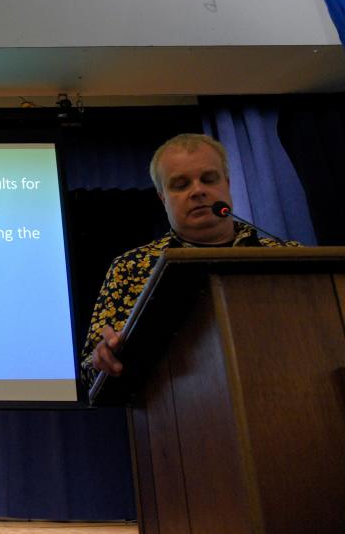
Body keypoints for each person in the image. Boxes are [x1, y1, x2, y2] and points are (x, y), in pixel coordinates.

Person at [79, 133, 297, 388]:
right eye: (181, 185)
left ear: (227, 184)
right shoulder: (131, 266)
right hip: (182, 409)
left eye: (208, 179)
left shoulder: (287, 254)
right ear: (162, 198)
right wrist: (102, 358)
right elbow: (90, 372)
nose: (198, 191)